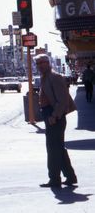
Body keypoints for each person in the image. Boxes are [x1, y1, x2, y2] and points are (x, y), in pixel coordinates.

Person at [35, 53, 78, 188]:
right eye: (38, 63)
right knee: (58, 148)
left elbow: (63, 100)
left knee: (53, 149)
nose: (41, 65)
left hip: (55, 116)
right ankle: (70, 177)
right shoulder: (45, 78)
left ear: (48, 63)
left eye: (43, 62)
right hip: (50, 115)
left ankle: (54, 179)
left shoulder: (55, 77)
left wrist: (55, 115)